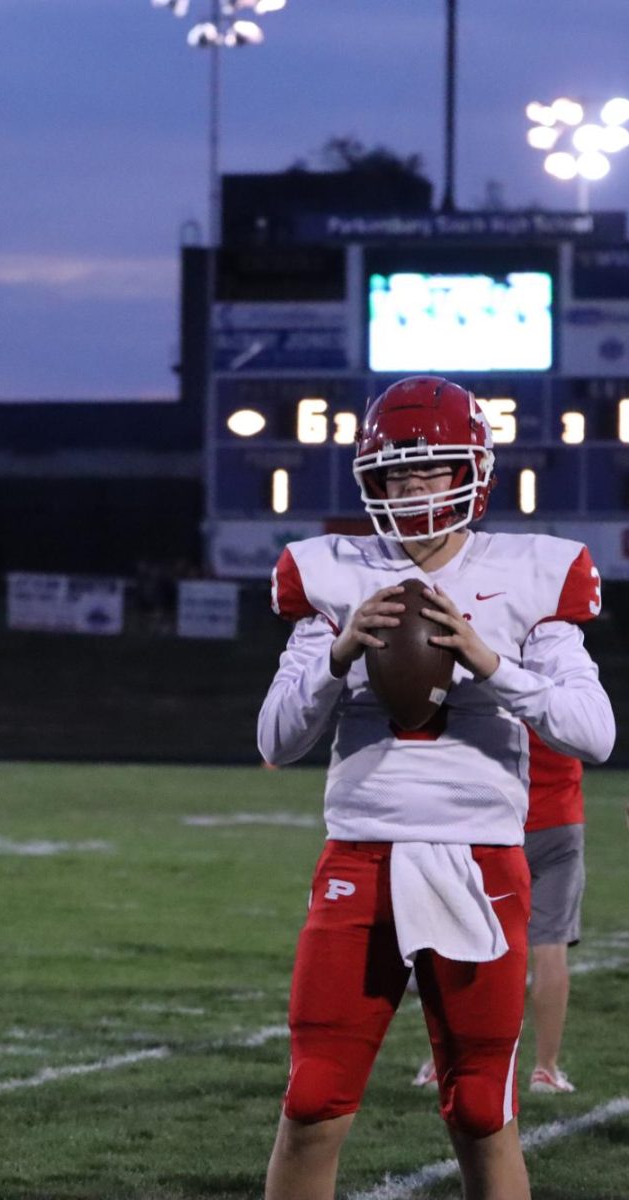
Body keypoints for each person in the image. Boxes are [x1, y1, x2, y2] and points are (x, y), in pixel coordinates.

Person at [258, 376, 614, 1200]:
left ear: (473, 474)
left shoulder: (534, 571)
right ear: (369, 481)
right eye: (395, 473)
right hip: (361, 854)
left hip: (482, 858)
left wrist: (488, 664)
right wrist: (338, 654)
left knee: (481, 1107)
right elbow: (276, 737)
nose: (412, 489)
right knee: (311, 1097)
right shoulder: (331, 572)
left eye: (431, 471)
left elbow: (592, 734)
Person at [413, 733, 587, 1095]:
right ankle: (545, 1069)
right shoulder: (565, 677)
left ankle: (442, 1062)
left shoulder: (492, 675)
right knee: (550, 947)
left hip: (495, 821)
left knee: (464, 942)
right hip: (558, 820)